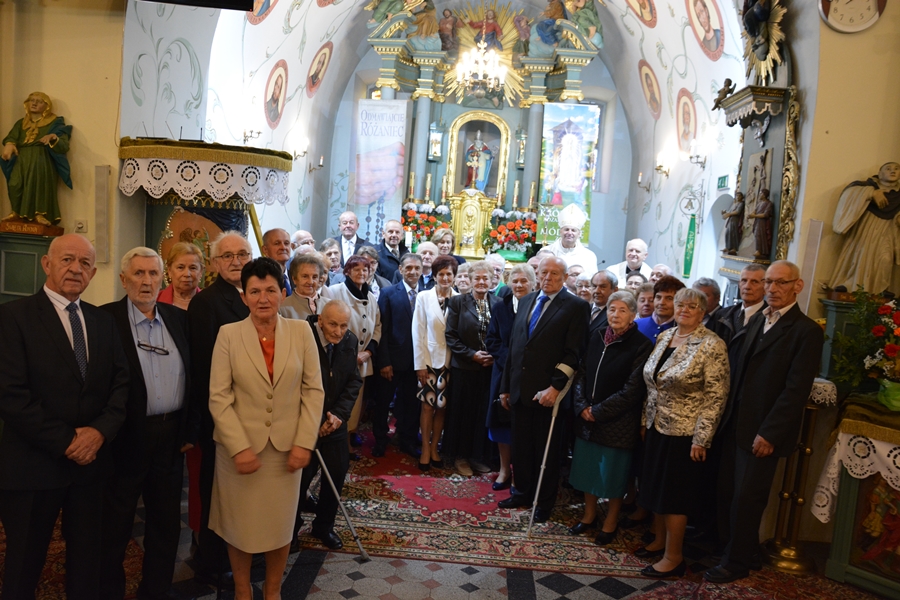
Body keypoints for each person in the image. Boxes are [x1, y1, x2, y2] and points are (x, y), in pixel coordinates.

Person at [0, 234, 129, 599]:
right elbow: (10, 394)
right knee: (24, 564)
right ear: (47, 264)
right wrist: (68, 441)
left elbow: (122, 384)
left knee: (88, 564)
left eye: (85, 263)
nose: (76, 269)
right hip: (32, 466)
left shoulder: (103, 321)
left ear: (92, 273)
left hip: (91, 468)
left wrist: (99, 434)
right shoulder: (13, 317)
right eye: (68, 259)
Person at [208, 258, 324, 600]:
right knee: (239, 525)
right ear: (244, 296)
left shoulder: (302, 331)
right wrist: (238, 446)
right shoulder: (228, 335)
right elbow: (218, 396)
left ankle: (273, 590)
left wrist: (304, 442)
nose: (262, 298)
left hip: (286, 451)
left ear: (282, 292)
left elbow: (313, 390)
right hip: (239, 452)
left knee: (279, 525)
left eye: (270, 290)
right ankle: (243, 589)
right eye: (254, 291)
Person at [705, 261, 824, 584]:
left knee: (747, 498)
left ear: (797, 286)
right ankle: (730, 548)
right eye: (768, 283)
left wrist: (769, 433)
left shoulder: (806, 331)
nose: (771, 289)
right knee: (727, 492)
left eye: (780, 283)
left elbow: (795, 391)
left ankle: (737, 561)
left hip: (762, 431)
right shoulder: (759, 319)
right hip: (735, 424)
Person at [100, 247, 195, 600]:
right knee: (115, 524)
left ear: (162, 279)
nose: (146, 281)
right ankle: (108, 591)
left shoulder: (177, 318)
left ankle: (156, 590)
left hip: (170, 439)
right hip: (125, 438)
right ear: (124, 280)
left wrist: (189, 428)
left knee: (166, 524)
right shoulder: (104, 320)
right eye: (138, 274)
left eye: (153, 274)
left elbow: (194, 376)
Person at [638, 287, 729, 579]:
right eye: (680, 305)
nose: (684, 310)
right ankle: (659, 541)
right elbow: (651, 384)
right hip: (656, 425)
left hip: (685, 433)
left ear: (703, 312)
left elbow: (716, 396)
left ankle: (673, 557)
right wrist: (644, 420)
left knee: (675, 496)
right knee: (655, 488)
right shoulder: (665, 336)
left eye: (692, 306)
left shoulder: (712, 344)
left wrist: (702, 438)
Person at [498, 256, 590, 522]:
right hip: (519, 390)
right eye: (543, 272)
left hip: (548, 395)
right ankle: (522, 492)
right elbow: (516, 347)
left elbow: (574, 354)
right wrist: (506, 386)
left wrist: (555, 388)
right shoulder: (527, 300)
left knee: (546, 453)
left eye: (554, 273)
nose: (547, 277)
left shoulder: (576, 306)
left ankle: (544, 501)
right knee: (522, 448)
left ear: (563, 277)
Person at [187, 230, 252, 587]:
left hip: (254, 413)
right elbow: (202, 367)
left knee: (243, 492)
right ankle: (210, 560)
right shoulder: (207, 302)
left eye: (242, 254)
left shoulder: (255, 295)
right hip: (221, 415)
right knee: (216, 491)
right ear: (213, 263)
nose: (236, 261)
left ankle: (244, 551)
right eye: (227, 256)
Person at [569, 291, 652, 545]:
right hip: (587, 416)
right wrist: (582, 404)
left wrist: (599, 411)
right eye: (611, 309)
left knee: (614, 475)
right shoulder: (595, 336)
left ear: (633, 315)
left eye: (622, 310)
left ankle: (611, 520)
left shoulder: (641, 344)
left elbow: (632, 389)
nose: (615, 315)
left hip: (618, 421)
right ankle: (589, 515)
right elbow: (581, 373)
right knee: (587, 471)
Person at [295, 300, 363, 551]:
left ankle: (324, 527)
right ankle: (290, 531)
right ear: (320, 319)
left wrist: (338, 415)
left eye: (343, 325)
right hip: (306, 423)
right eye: (332, 324)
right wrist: (317, 418)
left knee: (334, 477)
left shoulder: (350, 341)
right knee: (299, 480)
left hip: (335, 424)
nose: (338, 331)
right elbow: (294, 382)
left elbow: (353, 381)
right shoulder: (301, 336)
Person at [444, 261, 500, 476]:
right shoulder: (458, 302)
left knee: (481, 413)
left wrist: (493, 357)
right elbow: (451, 335)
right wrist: (472, 355)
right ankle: (460, 456)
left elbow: (504, 335)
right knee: (462, 413)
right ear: (469, 279)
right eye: (477, 278)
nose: (481, 282)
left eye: (485, 278)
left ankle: (477, 456)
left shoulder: (498, 302)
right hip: (464, 367)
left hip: (488, 369)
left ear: (491, 280)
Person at [485, 264, 535, 490]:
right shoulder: (500, 307)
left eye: (524, 281)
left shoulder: (539, 307)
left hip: (530, 376)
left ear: (533, 284)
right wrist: (511, 361)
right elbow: (492, 340)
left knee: (523, 427)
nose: (519, 285)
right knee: (501, 423)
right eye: (515, 281)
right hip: (503, 373)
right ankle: (504, 470)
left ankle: (520, 473)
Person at [329, 255, 382, 458]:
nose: (361, 273)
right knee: (339, 400)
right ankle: (339, 443)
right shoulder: (336, 292)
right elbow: (330, 323)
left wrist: (368, 352)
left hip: (363, 361)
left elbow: (377, 327)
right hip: (339, 359)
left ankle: (349, 438)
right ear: (347, 271)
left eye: (365, 269)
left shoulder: (372, 297)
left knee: (357, 401)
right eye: (356, 269)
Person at [374, 254, 424, 458]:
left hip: (417, 361)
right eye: (409, 268)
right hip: (392, 361)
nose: (413, 272)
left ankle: (407, 440)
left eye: (417, 268)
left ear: (422, 270)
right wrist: (384, 361)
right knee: (383, 402)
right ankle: (380, 439)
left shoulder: (427, 294)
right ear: (401, 270)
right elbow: (382, 329)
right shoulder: (388, 293)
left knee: (412, 404)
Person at [412, 255, 459, 470]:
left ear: (455, 276)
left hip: (450, 363)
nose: (445, 277)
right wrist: (419, 364)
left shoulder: (459, 298)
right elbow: (418, 331)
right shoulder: (424, 297)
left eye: (449, 274)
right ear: (435, 276)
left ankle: (434, 448)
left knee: (442, 409)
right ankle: (424, 448)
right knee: (426, 408)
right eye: (441, 274)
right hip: (428, 361)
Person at [1, 92, 72, 225]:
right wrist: (10, 144)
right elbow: (12, 137)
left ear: (47, 106)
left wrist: (53, 137)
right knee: (14, 183)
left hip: (41, 158)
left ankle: (40, 213)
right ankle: (16, 212)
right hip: (21, 158)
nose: (34, 103)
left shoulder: (55, 122)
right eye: (31, 100)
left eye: (39, 101)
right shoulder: (21, 123)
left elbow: (63, 144)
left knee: (40, 185)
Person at [829, 162, 900, 294]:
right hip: (866, 228)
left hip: (888, 231)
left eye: (896, 169)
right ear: (879, 174)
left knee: (886, 259)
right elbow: (848, 194)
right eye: (888, 168)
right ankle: (851, 285)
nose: (893, 171)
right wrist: (871, 193)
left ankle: (881, 289)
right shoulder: (866, 186)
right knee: (860, 256)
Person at [544, 204, 598, 272]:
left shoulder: (589, 256)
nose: (569, 233)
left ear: (579, 234)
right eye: (566, 229)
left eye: (573, 230)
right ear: (560, 231)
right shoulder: (547, 252)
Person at [280, 253, 331, 321]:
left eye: (314, 277)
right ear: (294, 279)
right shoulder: (283, 308)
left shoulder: (330, 305)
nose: (310, 282)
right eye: (305, 276)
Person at [635, 275, 685, 344]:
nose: (661, 302)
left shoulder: (683, 331)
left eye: (669, 298)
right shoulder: (636, 325)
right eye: (658, 297)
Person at [158, 241, 204, 310]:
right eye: (180, 267)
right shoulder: (154, 301)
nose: (187, 274)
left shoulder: (211, 303)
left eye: (193, 268)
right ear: (169, 271)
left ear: (201, 272)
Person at [261, 228, 294, 295]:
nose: (283, 247)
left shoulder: (296, 277)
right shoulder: (259, 278)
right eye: (277, 243)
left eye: (286, 243)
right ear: (265, 250)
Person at [589, 269, 618, 335]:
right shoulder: (583, 309)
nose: (597, 291)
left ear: (615, 290)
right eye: (594, 286)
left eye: (602, 287)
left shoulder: (616, 314)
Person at [749, 188, 774, 258]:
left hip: (763, 222)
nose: (759, 195)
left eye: (760, 193)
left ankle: (760, 250)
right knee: (756, 235)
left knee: (759, 235)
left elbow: (765, 215)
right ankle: (758, 250)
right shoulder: (759, 204)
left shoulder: (769, 204)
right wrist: (751, 215)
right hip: (758, 221)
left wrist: (754, 215)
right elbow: (755, 211)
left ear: (764, 194)